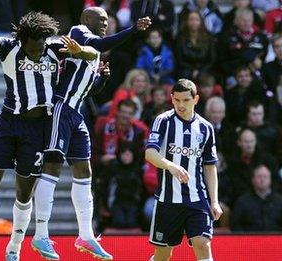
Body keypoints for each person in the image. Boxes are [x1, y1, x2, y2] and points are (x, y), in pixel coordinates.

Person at [0, 4, 99, 261]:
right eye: (31, 50)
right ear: (21, 40)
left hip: (39, 129)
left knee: (24, 192)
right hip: (8, 123)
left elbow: (92, 54)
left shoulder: (55, 48)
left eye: (39, 49)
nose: (36, 54)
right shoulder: (9, 48)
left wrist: (83, 51)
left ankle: (14, 249)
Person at [31, 6, 150, 260]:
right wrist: (133, 29)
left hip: (77, 114)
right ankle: (40, 234)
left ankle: (86, 235)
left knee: (84, 172)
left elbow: (88, 88)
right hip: (61, 108)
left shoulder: (92, 50)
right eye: (102, 18)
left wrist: (102, 80)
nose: (106, 23)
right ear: (86, 18)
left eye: (108, 20)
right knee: (51, 168)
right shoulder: (79, 31)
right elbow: (100, 43)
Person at [144, 79, 223, 261]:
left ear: (195, 99)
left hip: (197, 199)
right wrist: (171, 166)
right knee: (163, 255)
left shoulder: (205, 128)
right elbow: (150, 153)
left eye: (186, 100)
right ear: (171, 99)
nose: (181, 105)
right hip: (168, 200)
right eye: (177, 100)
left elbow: (210, 166)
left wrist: (215, 201)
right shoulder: (163, 121)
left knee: (203, 245)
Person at [231, 164, 282, 231]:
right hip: (250, 240)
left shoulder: (279, 201)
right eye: (259, 176)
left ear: (270, 180)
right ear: (253, 180)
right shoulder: (242, 202)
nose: (262, 179)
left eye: (265, 176)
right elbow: (236, 226)